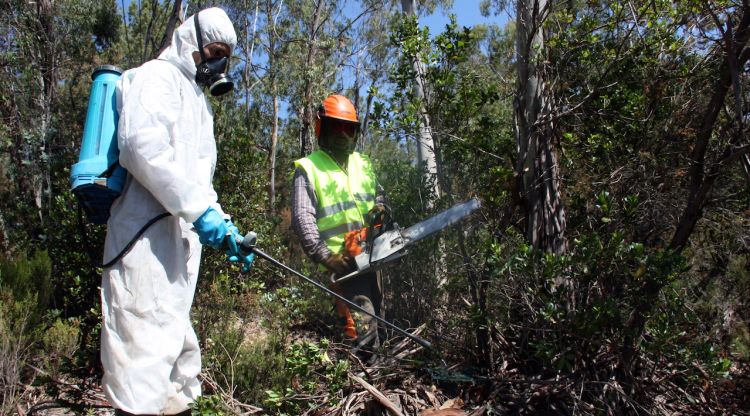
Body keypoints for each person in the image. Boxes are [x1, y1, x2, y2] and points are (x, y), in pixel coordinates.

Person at [100, 8, 253, 416]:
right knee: (140, 368)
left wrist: (222, 223)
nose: (220, 62)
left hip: (177, 254)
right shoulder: (157, 76)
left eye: (226, 55)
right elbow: (140, 148)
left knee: (179, 368)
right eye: (216, 51)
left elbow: (199, 183)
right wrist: (199, 211)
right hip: (143, 242)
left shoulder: (199, 105)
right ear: (193, 40)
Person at [291, 94, 387, 358]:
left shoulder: (363, 163)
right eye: (336, 126)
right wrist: (326, 256)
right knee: (361, 328)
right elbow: (302, 218)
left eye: (349, 127)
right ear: (322, 128)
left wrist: (381, 207)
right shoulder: (309, 168)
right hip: (343, 264)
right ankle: (367, 381)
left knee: (381, 317)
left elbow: (378, 195)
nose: (343, 134)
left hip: (372, 254)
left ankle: (384, 375)